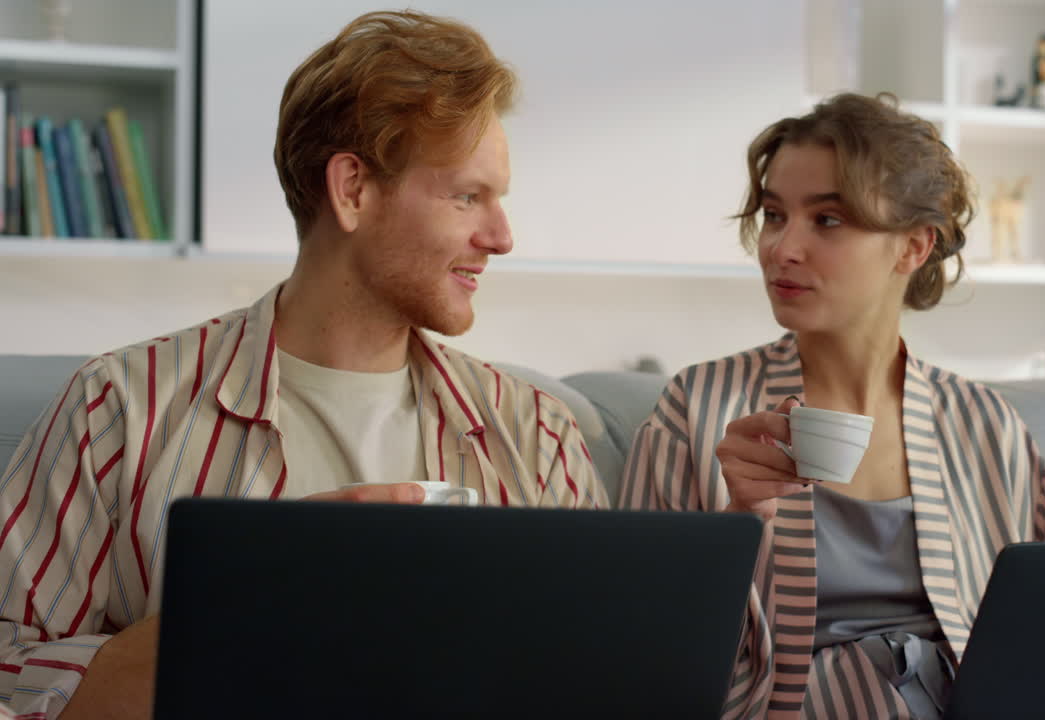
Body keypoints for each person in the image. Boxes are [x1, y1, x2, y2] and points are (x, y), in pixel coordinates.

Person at [0, 10, 602, 719]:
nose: (502, 236)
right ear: (351, 189)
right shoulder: (117, 411)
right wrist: (241, 603)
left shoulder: (539, 438)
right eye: (468, 195)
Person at [617, 92, 1045, 718]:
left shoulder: (986, 426)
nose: (783, 248)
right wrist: (742, 523)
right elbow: (638, 654)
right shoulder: (697, 409)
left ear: (914, 245)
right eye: (773, 214)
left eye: (828, 219)